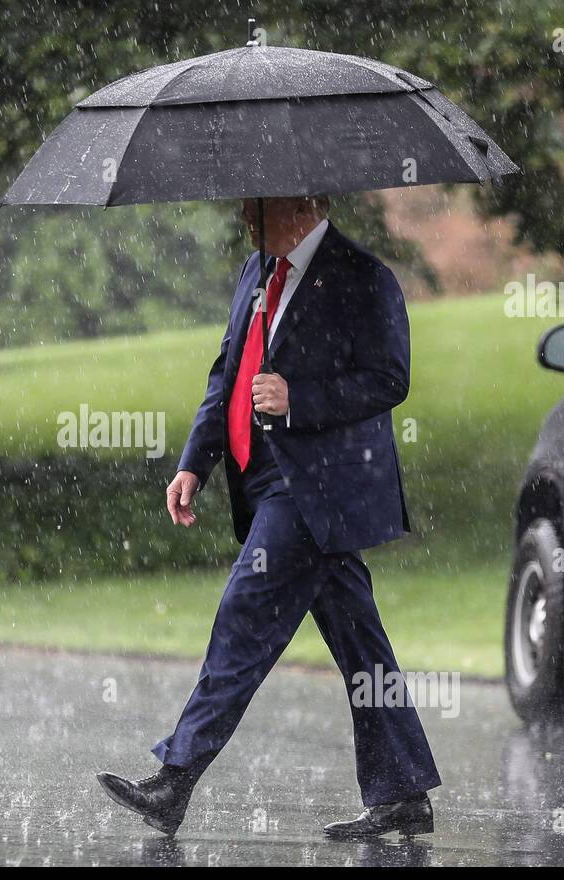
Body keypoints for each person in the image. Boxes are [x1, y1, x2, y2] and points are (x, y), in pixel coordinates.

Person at [96, 196, 441, 839]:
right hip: (263, 481)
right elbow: (227, 369)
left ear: (304, 204)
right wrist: (194, 464)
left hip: (317, 488)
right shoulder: (256, 271)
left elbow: (390, 379)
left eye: (258, 206)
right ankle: (403, 790)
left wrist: (298, 398)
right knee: (359, 640)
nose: (244, 218)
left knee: (244, 614)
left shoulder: (363, 276)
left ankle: (176, 778)